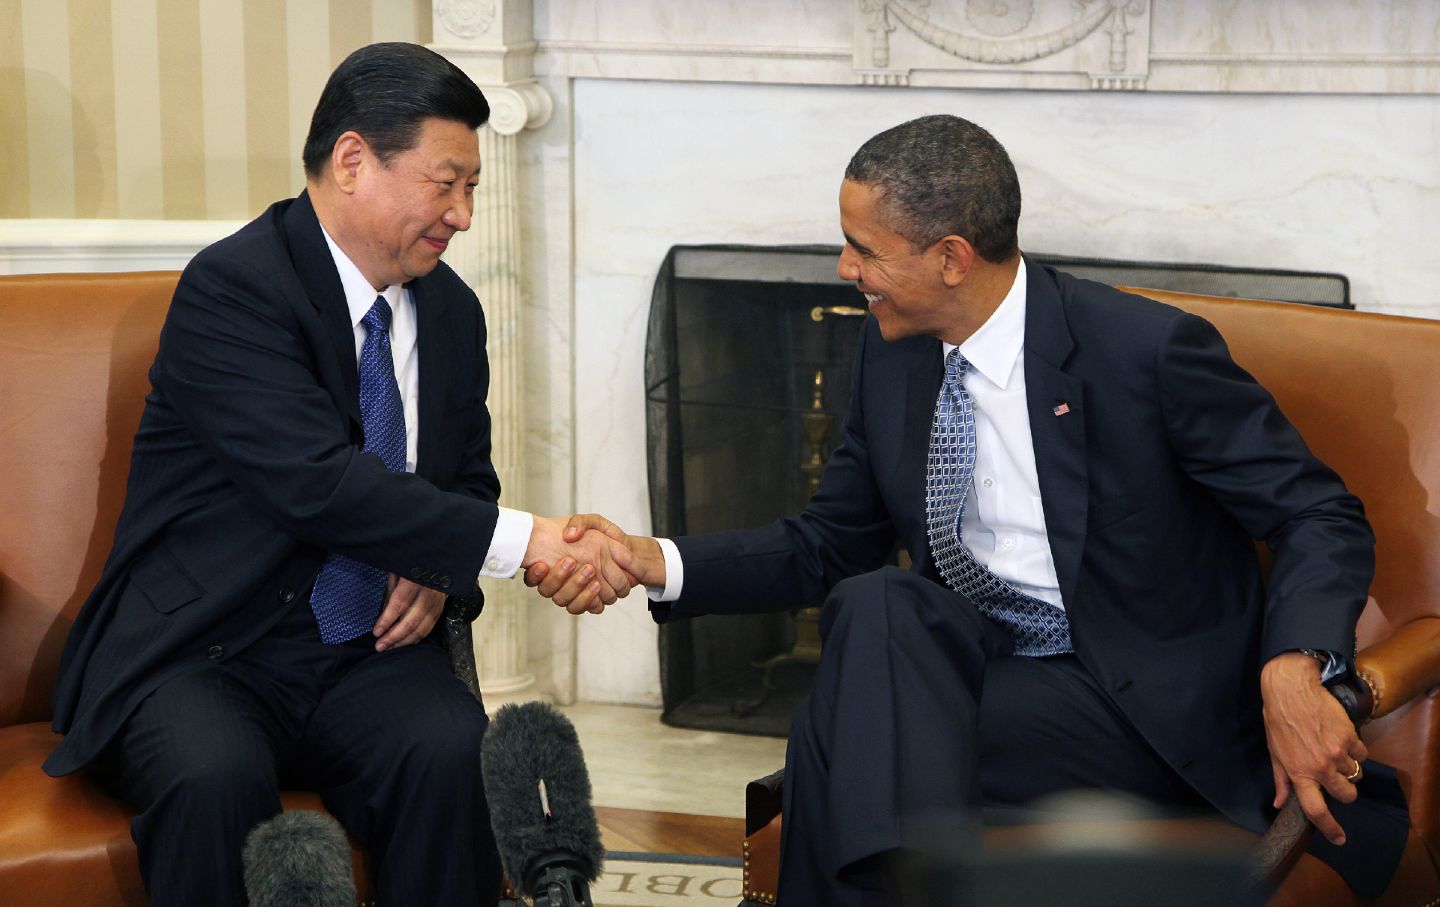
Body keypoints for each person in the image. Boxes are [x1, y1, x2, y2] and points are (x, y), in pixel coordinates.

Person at [531, 115, 1406, 904]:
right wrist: (654, 559)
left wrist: (1295, 664)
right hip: (989, 668)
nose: (844, 271)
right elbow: (828, 542)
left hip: (1134, 701)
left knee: (844, 742)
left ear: (951, 257)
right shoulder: (892, 360)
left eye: (863, 249)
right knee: (877, 606)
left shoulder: (1144, 352)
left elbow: (1317, 513)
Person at [44, 43, 629, 906]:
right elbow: (316, 482)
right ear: (354, 160)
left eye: (473, 188)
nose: (464, 215)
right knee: (215, 779)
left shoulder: (454, 312)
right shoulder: (235, 288)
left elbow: (467, 479)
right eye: (446, 182)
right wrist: (531, 543)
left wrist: (437, 564)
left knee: (450, 747)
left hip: (364, 651)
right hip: (205, 648)